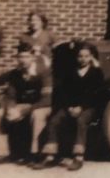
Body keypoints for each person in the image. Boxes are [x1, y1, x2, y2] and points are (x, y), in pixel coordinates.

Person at [32, 41, 104, 171]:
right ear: (76, 57)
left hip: (88, 107)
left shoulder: (96, 73)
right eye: (80, 56)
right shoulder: (71, 72)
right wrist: (70, 107)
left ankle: (78, 157)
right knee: (54, 121)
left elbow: (95, 94)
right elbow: (65, 92)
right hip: (70, 107)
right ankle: (50, 156)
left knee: (81, 121)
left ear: (91, 57)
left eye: (86, 56)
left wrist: (81, 107)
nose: (83, 59)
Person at [0, 42, 52, 164]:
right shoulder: (16, 73)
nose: (23, 60)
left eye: (26, 57)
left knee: (37, 115)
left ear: (33, 57)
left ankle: (35, 154)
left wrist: (24, 110)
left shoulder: (43, 72)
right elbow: (11, 96)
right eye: (20, 57)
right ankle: (1, 153)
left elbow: (47, 99)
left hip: (41, 105)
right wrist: (10, 108)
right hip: (22, 105)